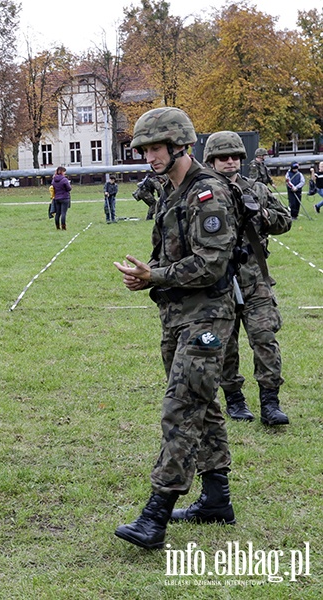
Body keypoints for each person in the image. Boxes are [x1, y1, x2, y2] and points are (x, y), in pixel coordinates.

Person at [113, 107, 238, 550]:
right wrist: (146, 276)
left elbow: (212, 262)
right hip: (177, 316)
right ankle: (217, 501)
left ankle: (156, 515)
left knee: (181, 408)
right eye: (144, 149)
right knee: (202, 407)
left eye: (156, 147)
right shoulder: (170, 192)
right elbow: (171, 259)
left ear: (180, 144)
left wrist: (158, 277)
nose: (149, 156)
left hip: (207, 317)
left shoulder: (207, 194)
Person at [202, 131, 291, 428]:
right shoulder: (202, 192)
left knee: (265, 338)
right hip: (218, 282)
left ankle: (270, 401)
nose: (230, 162)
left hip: (255, 280)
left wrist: (261, 214)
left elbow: (284, 221)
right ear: (211, 160)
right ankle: (234, 398)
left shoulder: (256, 189)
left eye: (234, 157)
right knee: (225, 346)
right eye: (222, 157)